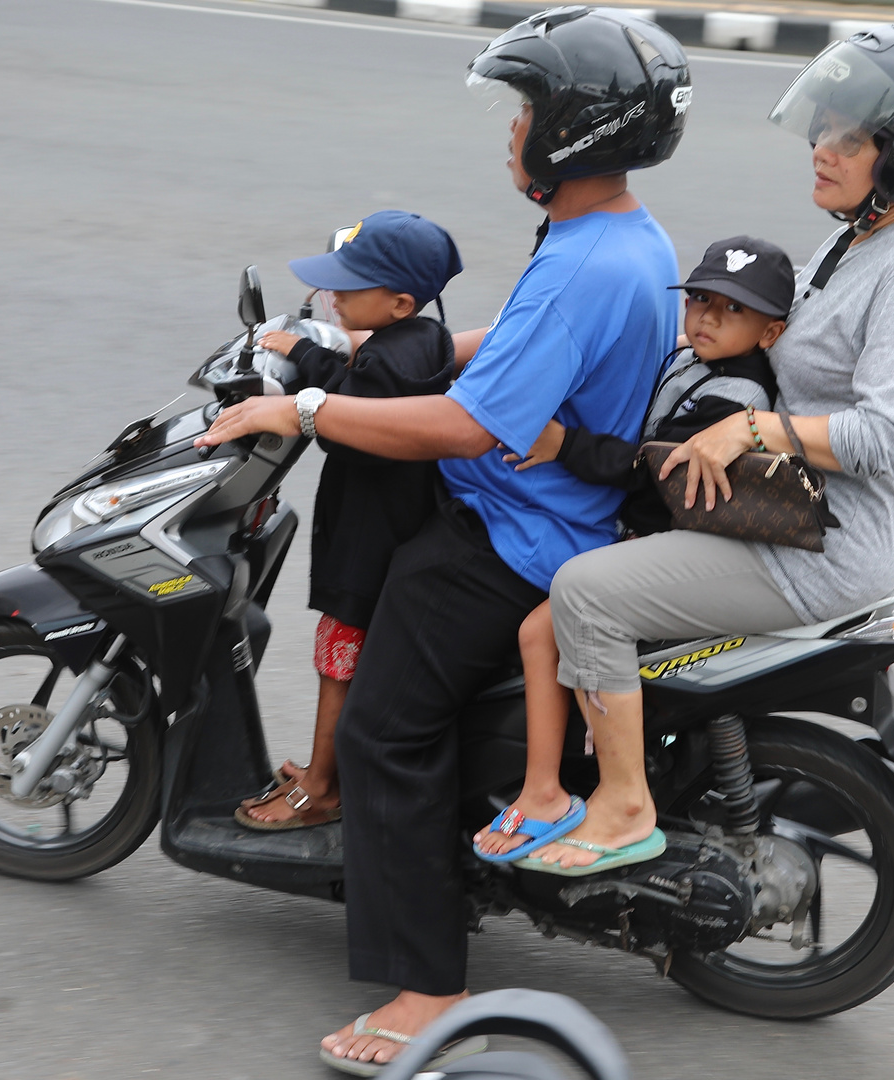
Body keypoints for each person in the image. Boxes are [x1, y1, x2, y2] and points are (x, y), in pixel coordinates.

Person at [194, 9, 692, 1072]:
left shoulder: (583, 262)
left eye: (527, 111)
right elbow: (514, 345)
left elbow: (469, 424)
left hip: (514, 535)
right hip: (532, 512)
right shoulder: (626, 237)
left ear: (576, 129)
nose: (511, 131)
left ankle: (428, 989)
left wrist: (308, 412)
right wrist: (343, 342)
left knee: (385, 729)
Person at [521, 23, 894, 872]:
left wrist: (753, 427)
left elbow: (890, 436)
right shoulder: (857, 240)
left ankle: (623, 805)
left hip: (819, 542)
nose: (822, 147)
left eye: (851, 136)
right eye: (825, 127)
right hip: (780, 510)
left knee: (585, 593)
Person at [472, 236, 794, 866]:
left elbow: (654, 467)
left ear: (771, 332)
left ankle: (548, 792)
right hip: (639, 529)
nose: (705, 316)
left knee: (542, 632)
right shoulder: (693, 361)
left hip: (671, 542)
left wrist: (563, 443)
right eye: (700, 299)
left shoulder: (741, 397)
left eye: (731, 309)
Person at [234, 210, 464, 830]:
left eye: (348, 286)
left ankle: (321, 785)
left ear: (399, 302)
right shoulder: (423, 341)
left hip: (368, 546)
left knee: (337, 662)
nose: (332, 295)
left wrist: (303, 353)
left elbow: (346, 414)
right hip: (392, 531)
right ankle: (327, 767)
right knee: (341, 661)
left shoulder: (390, 361)